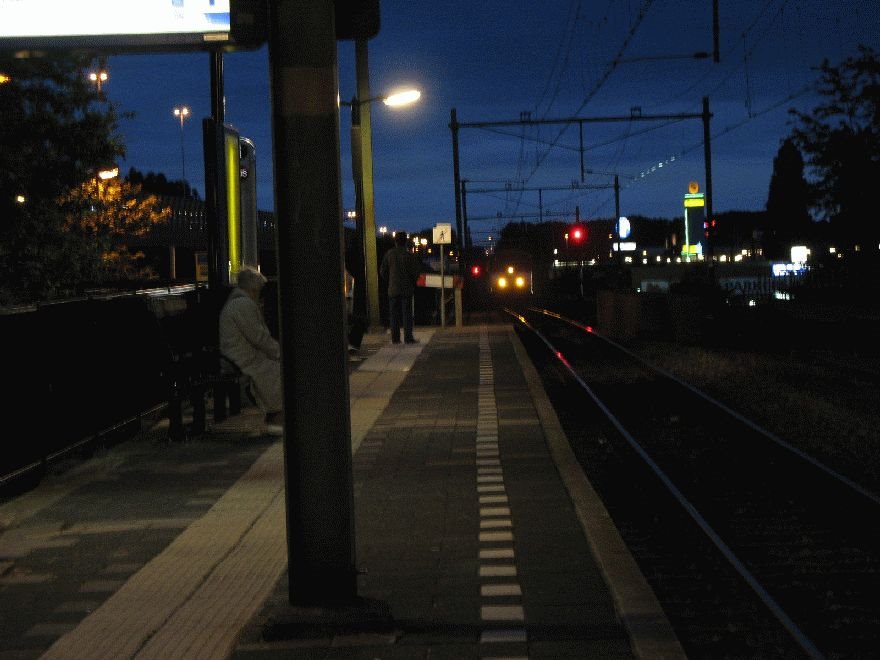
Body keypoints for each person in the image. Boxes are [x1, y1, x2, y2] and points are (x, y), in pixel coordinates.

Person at [218, 267, 283, 432]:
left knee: (272, 369)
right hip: (241, 357)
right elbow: (259, 337)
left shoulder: (237, 302)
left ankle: (275, 413)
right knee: (275, 371)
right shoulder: (243, 304)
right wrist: (279, 353)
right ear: (253, 288)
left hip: (238, 354)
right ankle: (275, 414)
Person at [380, 231, 421, 344]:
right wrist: (412, 282)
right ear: (406, 241)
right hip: (406, 288)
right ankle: (408, 337)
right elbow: (416, 272)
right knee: (407, 314)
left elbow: (383, 271)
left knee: (393, 314)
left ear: (395, 241)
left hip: (393, 288)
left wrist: (389, 280)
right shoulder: (409, 255)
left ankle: (395, 338)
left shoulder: (389, 254)